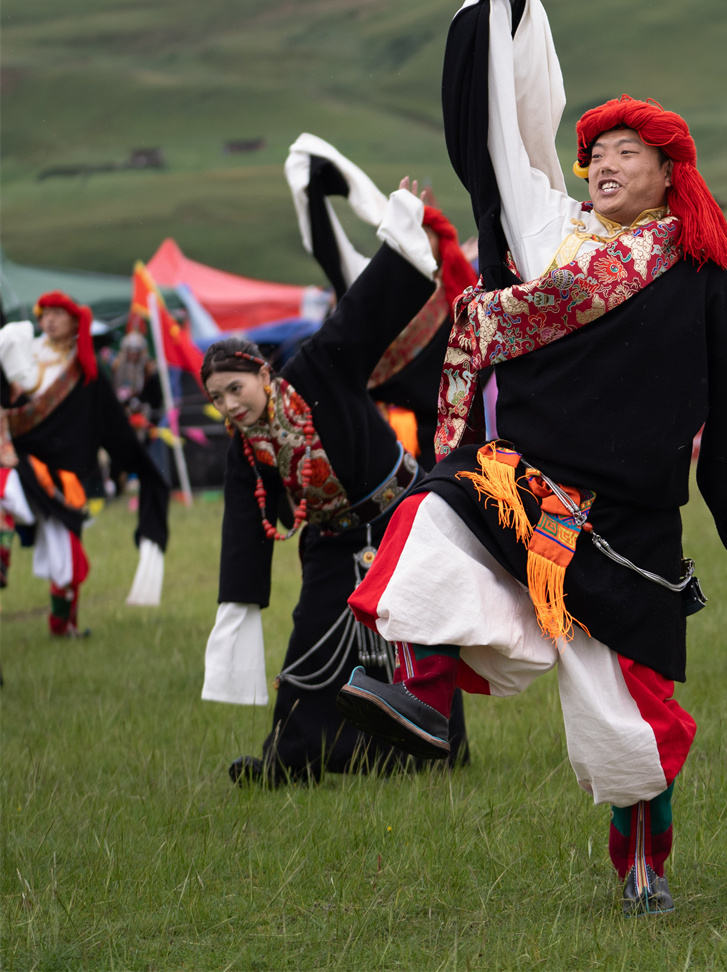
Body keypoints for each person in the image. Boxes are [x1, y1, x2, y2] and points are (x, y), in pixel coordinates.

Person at [338, 0, 727, 915]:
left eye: (626, 152)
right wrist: (498, 16)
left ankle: (645, 867)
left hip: (631, 523)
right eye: (593, 153)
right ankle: (422, 696)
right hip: (521, 487)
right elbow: (500, 145)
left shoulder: (705, 280)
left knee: (635, 721)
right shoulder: (552, 236)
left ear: (671, 172)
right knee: (431, 512)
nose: (602, 165)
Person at [200, 177, 469, 786]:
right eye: (217, 399)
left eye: (235, 389)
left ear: (262, 375)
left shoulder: (318, 367)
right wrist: (238, 606)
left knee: (413, 635)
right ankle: (292, 758)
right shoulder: (247, 446)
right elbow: (244, 526)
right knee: (311, 642)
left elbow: (364, 309)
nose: (230, 405)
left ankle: (433, 748)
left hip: (400, 517)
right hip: (329, 538)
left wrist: (403, 222)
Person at [286, 133, 477, 461]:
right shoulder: (373, 286)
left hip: (460, 417)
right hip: (395, 431)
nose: (424, 240)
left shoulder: (454, 292)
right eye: (419, 233)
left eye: (428, 233)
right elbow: (303, 159)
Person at [0, 291, 170, 637]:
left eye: (58, 314)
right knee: (4, 495)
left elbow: (111, 424)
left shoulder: (84, 369)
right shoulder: (23, 350)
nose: (49, 320)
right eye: (45, 314)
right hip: (17, 457)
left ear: (75, 320)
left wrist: (140, 466)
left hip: (63, 472)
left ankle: (64, 624)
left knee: (67, 551)